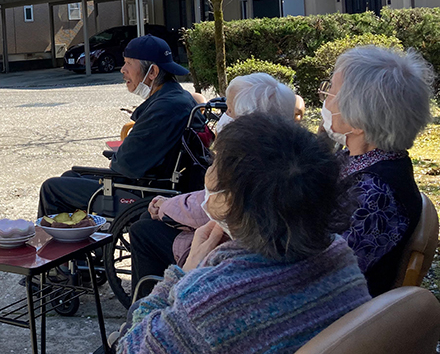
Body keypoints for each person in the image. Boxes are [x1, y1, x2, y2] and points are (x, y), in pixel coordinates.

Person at [116, 114, 371, 354]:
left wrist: (183, 275)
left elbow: (130, 348)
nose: (208, 172)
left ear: (228, 201)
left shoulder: (209, 300)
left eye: (214, 164)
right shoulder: (339, 255)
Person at [129, 73, 297, 284]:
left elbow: (212, 207)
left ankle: (150, 298)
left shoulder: (244, 160)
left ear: (249, 119)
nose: (224, 116)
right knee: (149, 219)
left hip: (226, 251)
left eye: (229, 110)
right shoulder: (292, 153)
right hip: (258, 247)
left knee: (142, 230)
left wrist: (165, 207)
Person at [37, 35, 197, 217]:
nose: (122, 69)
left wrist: (118, 157)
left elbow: (124, 165)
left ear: (152, 72)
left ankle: (52, 235)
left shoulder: (165, 108)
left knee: (52, 188)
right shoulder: (178, 97)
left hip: (145, 192)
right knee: (69, 177)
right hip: (157, 181)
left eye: (129, 63)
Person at [320, 45, 433, 296]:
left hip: (336, 311)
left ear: (357, 121)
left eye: (330, 92)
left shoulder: (376, 193)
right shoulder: (356, 159)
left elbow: (324, 275)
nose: (325, 99)